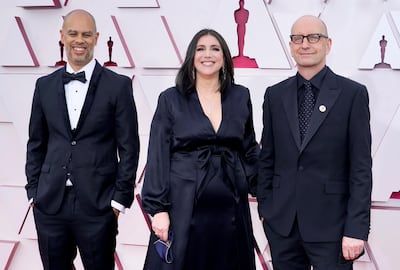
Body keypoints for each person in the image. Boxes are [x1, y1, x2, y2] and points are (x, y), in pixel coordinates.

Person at [25, 9, 140, 270]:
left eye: (87, 34)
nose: (80, 40)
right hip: (50, 203)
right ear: (62, 36)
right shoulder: (44, 85)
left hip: (98, 205)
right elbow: (36, 143)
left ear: (97, 37)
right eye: (73, 33)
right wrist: (34, 192)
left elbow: (129, 147)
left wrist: (118, 200)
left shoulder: (118, 86)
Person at [257, 15, 372, 270]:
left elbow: (361, 168)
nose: (305, 44)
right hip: (283, 227)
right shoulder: (275, 95)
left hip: (334, 228)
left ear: (328, 44)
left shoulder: (352, 94)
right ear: (290, 46)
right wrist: (266, 211)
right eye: (297, 38)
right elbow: (268, 158)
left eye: (313, 37)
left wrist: (356, 228)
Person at [141, 28, 259, 270]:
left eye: (215, 49)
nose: (208, 55)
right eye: (201, 49)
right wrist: (158, 210)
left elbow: (248, 149)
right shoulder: (171, 99)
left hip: (231, 208)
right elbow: (158, 155)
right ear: (191, 57)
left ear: (225, 56)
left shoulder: (240, 96)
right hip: (182, 206)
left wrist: (266, 195)